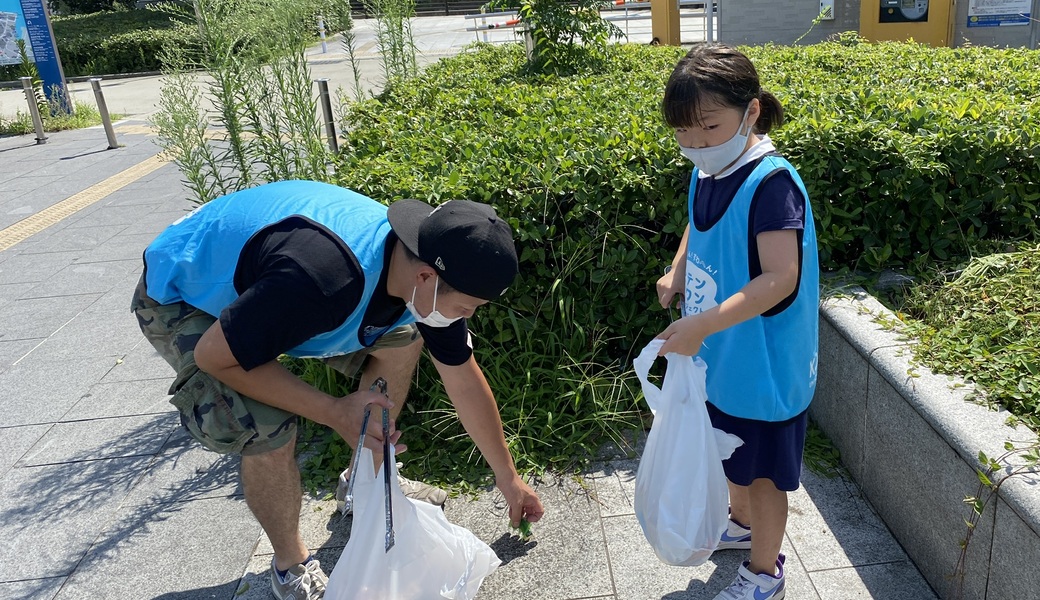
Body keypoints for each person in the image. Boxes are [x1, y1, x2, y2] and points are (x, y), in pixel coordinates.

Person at [131, 180, 545, 600]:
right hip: (184, 293)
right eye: (467, 307)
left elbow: (462, 377)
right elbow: (215, 357)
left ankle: (362, 479)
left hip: (271, 292)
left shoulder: (420, 266)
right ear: (426, 276)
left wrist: (508, 478)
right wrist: (333, 410)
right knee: (269, 429)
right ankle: (290, 567)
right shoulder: (323, 279)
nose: (466, 316)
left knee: (404, 339)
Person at [654, 44, 819, 600]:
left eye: (708, 126)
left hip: (763, 365)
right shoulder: (710, 167)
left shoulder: (771, 183)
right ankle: (741, 527)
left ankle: (765, 570)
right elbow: (697, 227)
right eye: (683, 132)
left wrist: (702, 325)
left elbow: (780, 278)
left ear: (750, 111)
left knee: (767, 474)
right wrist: (677, 270)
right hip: (722, 355)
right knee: (731, 451)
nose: (695, 143)